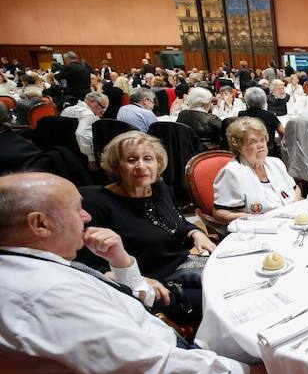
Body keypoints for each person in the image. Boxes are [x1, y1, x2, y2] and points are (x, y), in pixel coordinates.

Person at [0, 172, 288, 374]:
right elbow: (152, 366)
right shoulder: (44, 295)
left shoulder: (31, 265)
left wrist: (120, 262)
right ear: (39, 224)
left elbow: (121, 312)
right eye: (75, 209)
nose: (86, 216)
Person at [74, 131, 215, 322]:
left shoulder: (158, 188)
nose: (141, 166)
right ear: (116, 166)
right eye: (131, 160)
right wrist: (134, 280)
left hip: (185, 267)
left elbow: (179, 223)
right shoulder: (97, 205)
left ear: (157, 162)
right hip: (153, 287)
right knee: (221, 300)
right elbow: (83, 265)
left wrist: (196, 232)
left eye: (148, 158)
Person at [213, 117, 301, 223]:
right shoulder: (232, 172)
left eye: (262, 139)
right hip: (259, 229)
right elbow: (220, 213)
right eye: (253, 141)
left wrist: (294, 208)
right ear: (239, 147)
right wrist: (257, 219)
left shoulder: (276, 163)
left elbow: (296, 189)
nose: (261, 145)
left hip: (291, 221)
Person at [60, 91, 108, 170]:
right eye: (102, 108)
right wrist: (91, 158)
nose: (102, 113)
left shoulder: (67, 109)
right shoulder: (88, 114)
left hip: (65, 152)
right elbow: (81, 134)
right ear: (93, 102)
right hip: (81, 158)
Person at [238, 87, 284, 156]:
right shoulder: (269, 115)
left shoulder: (241, 114)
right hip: (269, 151)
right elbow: (283, 132)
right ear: (264, 100)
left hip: (249, 151)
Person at [176, 87, 222, 151]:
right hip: (208, 153)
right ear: (205, 103)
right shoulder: (211, 119)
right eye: (210, 102)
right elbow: (226, 132)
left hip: (185, 151)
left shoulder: (182, 115)